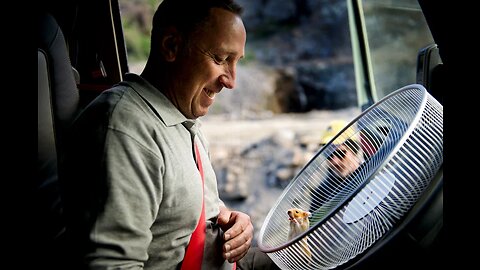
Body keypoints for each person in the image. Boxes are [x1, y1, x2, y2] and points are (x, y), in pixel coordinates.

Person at [61, 0, 277, 269]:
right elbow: (113, 264)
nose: (231, 81)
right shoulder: (124, 130)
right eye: (221, 59)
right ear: (171, 46)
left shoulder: (182, 118)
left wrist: (229, 218)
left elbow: (185, 208)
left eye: (236, 62)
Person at [309, 120, 363, 212]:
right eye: (328, 154)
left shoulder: (374, 174)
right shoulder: (321, 194)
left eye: (340, 153)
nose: (334, 161)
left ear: (354, 150)